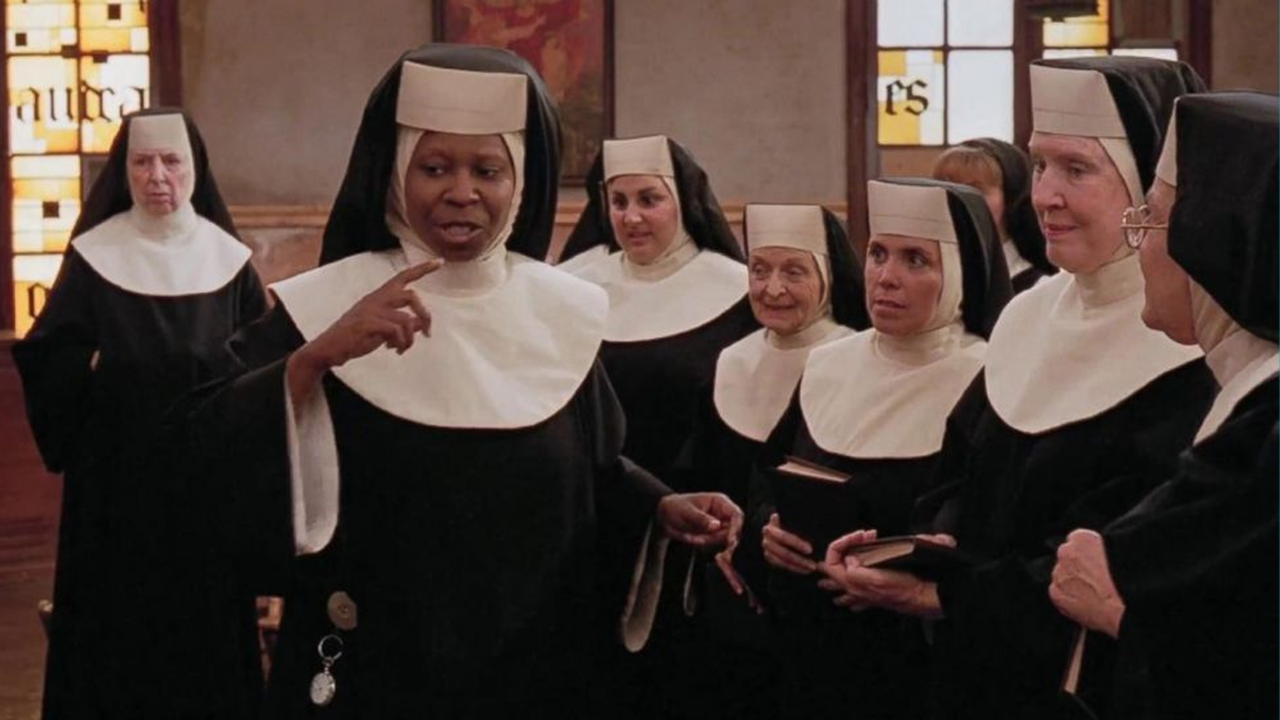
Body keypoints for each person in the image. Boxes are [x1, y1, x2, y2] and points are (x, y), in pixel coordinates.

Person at [179, 44, 740, 718]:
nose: (462, 192)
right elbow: (200, 461)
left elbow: (592, 469)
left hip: (535, 673)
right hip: (376, 677)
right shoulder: (323, 308)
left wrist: (657, 507)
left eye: (488, 170)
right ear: (395, 174)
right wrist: (312, 361)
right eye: (435, 168)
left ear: (520, 181)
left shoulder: (561, 310)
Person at [821, 56, 1216, 718]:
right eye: (1038, 165)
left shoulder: (1189, 343)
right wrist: (921, 551)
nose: (1044, 196)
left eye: (1077, 169)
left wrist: (949, 595)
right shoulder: (1027, 312)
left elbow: (1124, 552)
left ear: (1152, 182)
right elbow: (959, 476)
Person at [13, 108, 267, 718]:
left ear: (194, 168)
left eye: (172, 161)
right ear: (123, 171)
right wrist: (99, 376)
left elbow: (265, 359)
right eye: (142, 162)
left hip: (206, 488)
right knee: (115, 633)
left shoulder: (228, 260)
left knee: (204, 635)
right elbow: (47, 353)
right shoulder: (95, 256)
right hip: (114, 486)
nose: (158, 177)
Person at [1049, 91, 1278, 720]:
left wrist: (1117, 617)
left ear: (1211, 239)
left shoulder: (1266, 433)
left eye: (1148, 220)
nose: (1140, 245)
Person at [750, 179, 1010, 719]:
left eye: (915, 260)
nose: (886, 277)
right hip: (809, 657)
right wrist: (769, 530)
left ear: (959, 274)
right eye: (877, 254)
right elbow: (767, 476)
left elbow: (989, 531)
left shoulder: (991, 379)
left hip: (919, 665)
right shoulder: (829, 362)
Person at [557, 135, 756, 717]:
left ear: (684, 202)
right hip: (590, 518)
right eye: (617, 201)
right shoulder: (570, 287)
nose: (631, 217)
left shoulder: (735, 290)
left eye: (649, 199)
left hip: (696, 529)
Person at [676, 203, 870, 718]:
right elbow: (702, 476)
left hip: (827, 604)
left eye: (794, 272)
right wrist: (717, 534)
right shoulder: (730, 360)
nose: (772, 289)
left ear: (829, 277)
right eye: (759, 270)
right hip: (731, 608)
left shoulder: (857, 361)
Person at [933, 137, 1058, 293]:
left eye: (974, 191)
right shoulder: (931, 273)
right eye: (947, 188)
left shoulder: (1038, 289)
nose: (956, 200)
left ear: (1011, 198)